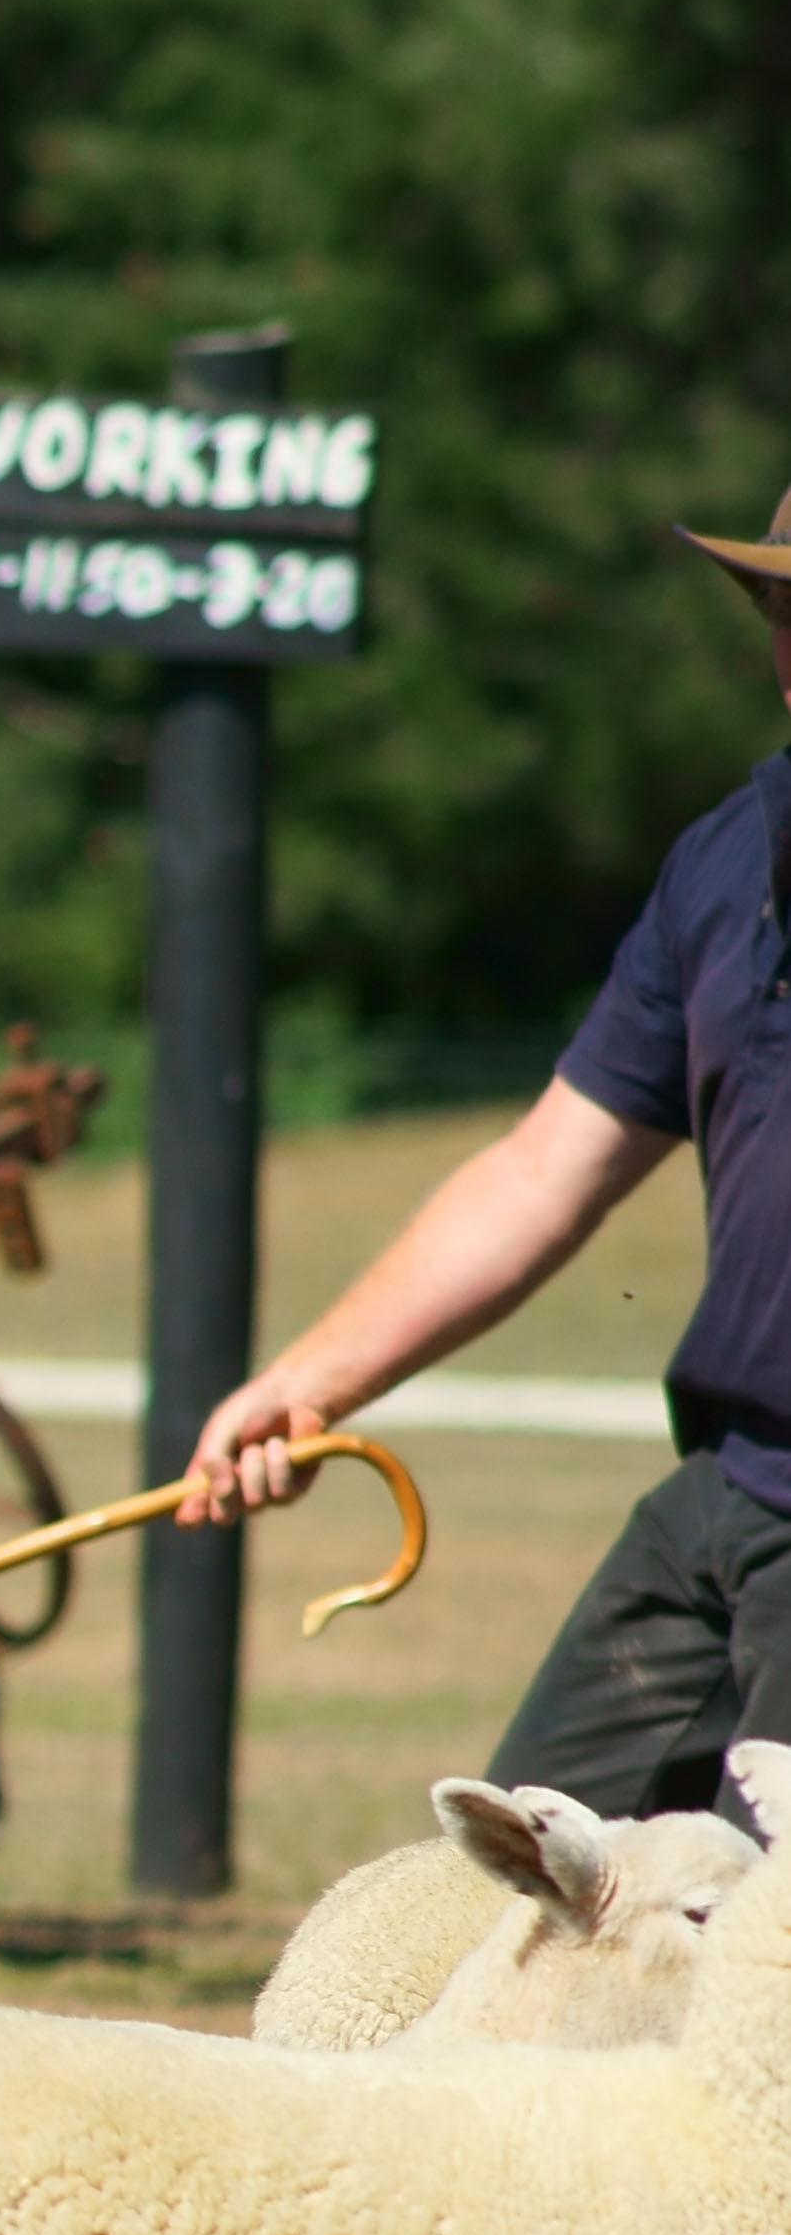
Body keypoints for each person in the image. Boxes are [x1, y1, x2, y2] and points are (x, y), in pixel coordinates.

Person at [186, 485, 791, 1812]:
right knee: (508, 1907)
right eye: (783, 607)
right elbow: (541, 1171)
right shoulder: (723, 863)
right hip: (735, 1493)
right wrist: (309, 1381)